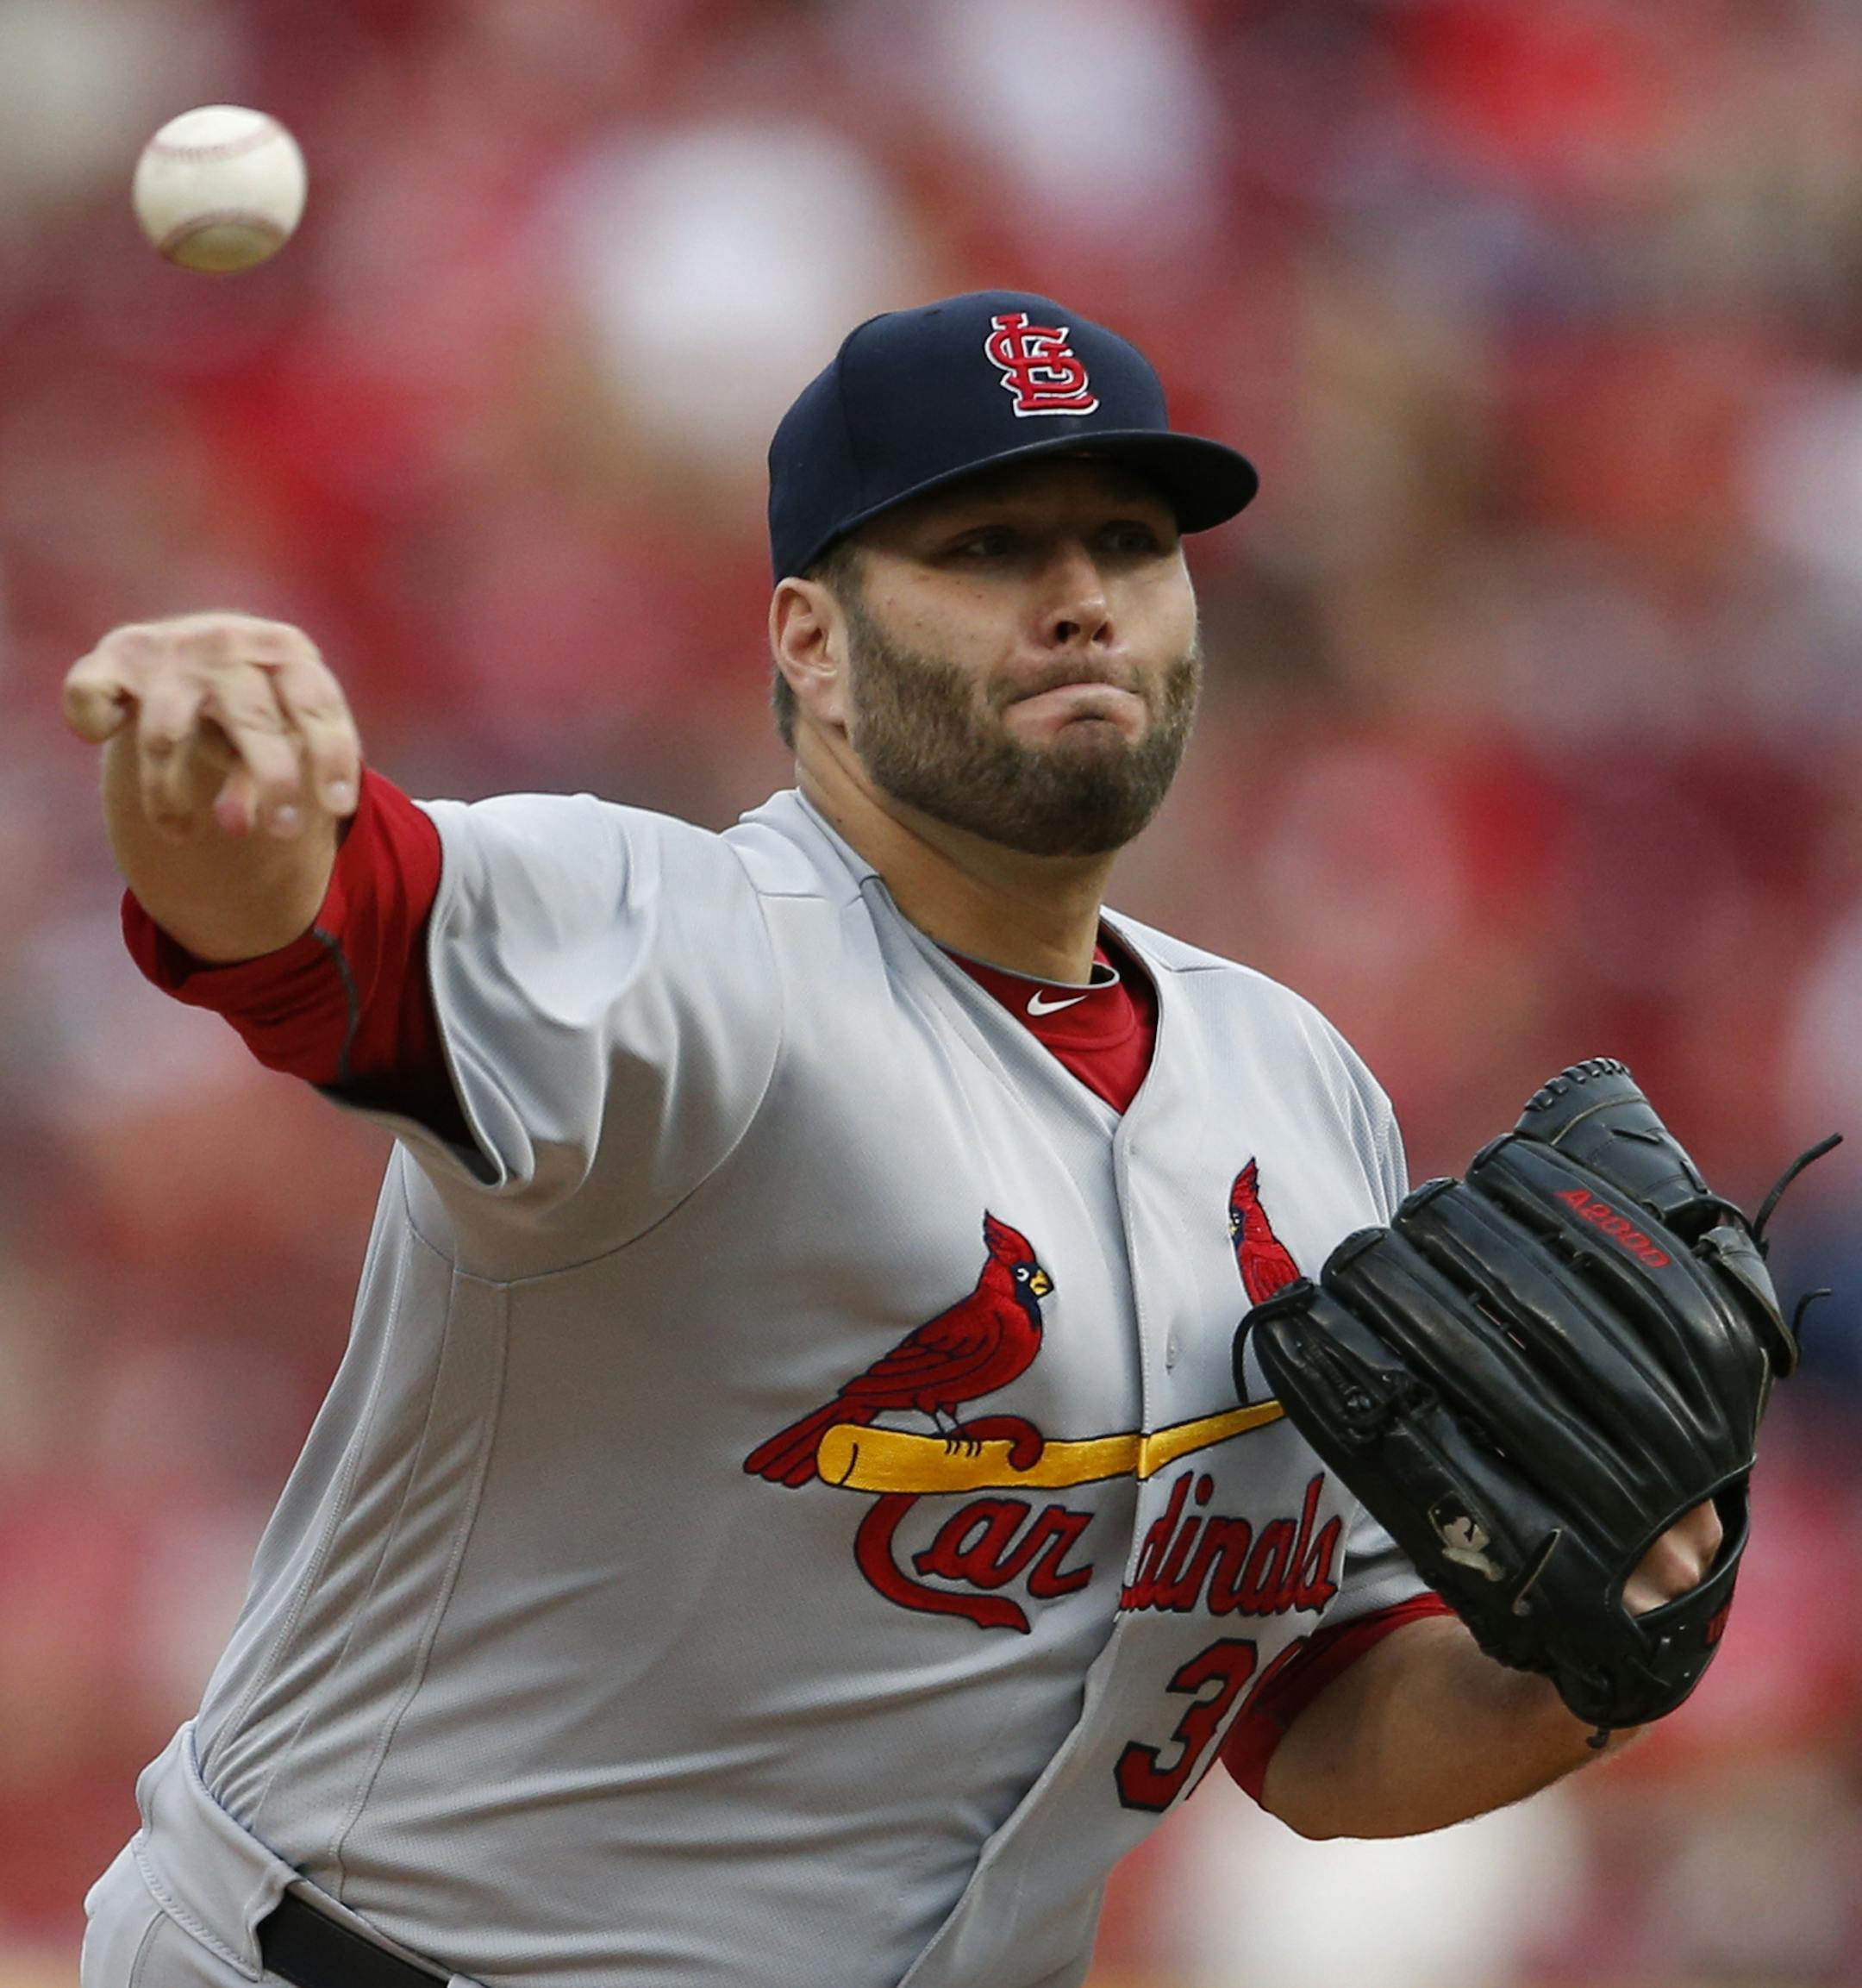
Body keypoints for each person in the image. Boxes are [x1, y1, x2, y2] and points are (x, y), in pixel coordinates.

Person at [65, 293, 1721, 1988]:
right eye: (989, 544)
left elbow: (1319, 1728)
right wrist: (220, 814)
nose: (1081, 599)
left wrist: (1604, 1668)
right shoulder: (689, 951)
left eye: (1132, 544)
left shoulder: (1298, 1094)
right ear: (813, 642)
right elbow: (333, 923)